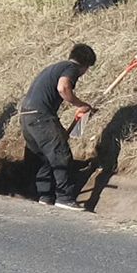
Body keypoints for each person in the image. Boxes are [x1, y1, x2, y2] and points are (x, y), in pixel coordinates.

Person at [20, 44, 96, 211]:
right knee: (61, 155)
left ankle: (45, 197)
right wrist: (80, 104)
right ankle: (65, 198)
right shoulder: (71, 68)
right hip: (41, 117)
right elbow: (63, 88)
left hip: (26, 117)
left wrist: (59, 129)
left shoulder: (54, 67)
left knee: (44, 158)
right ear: (86, 65)